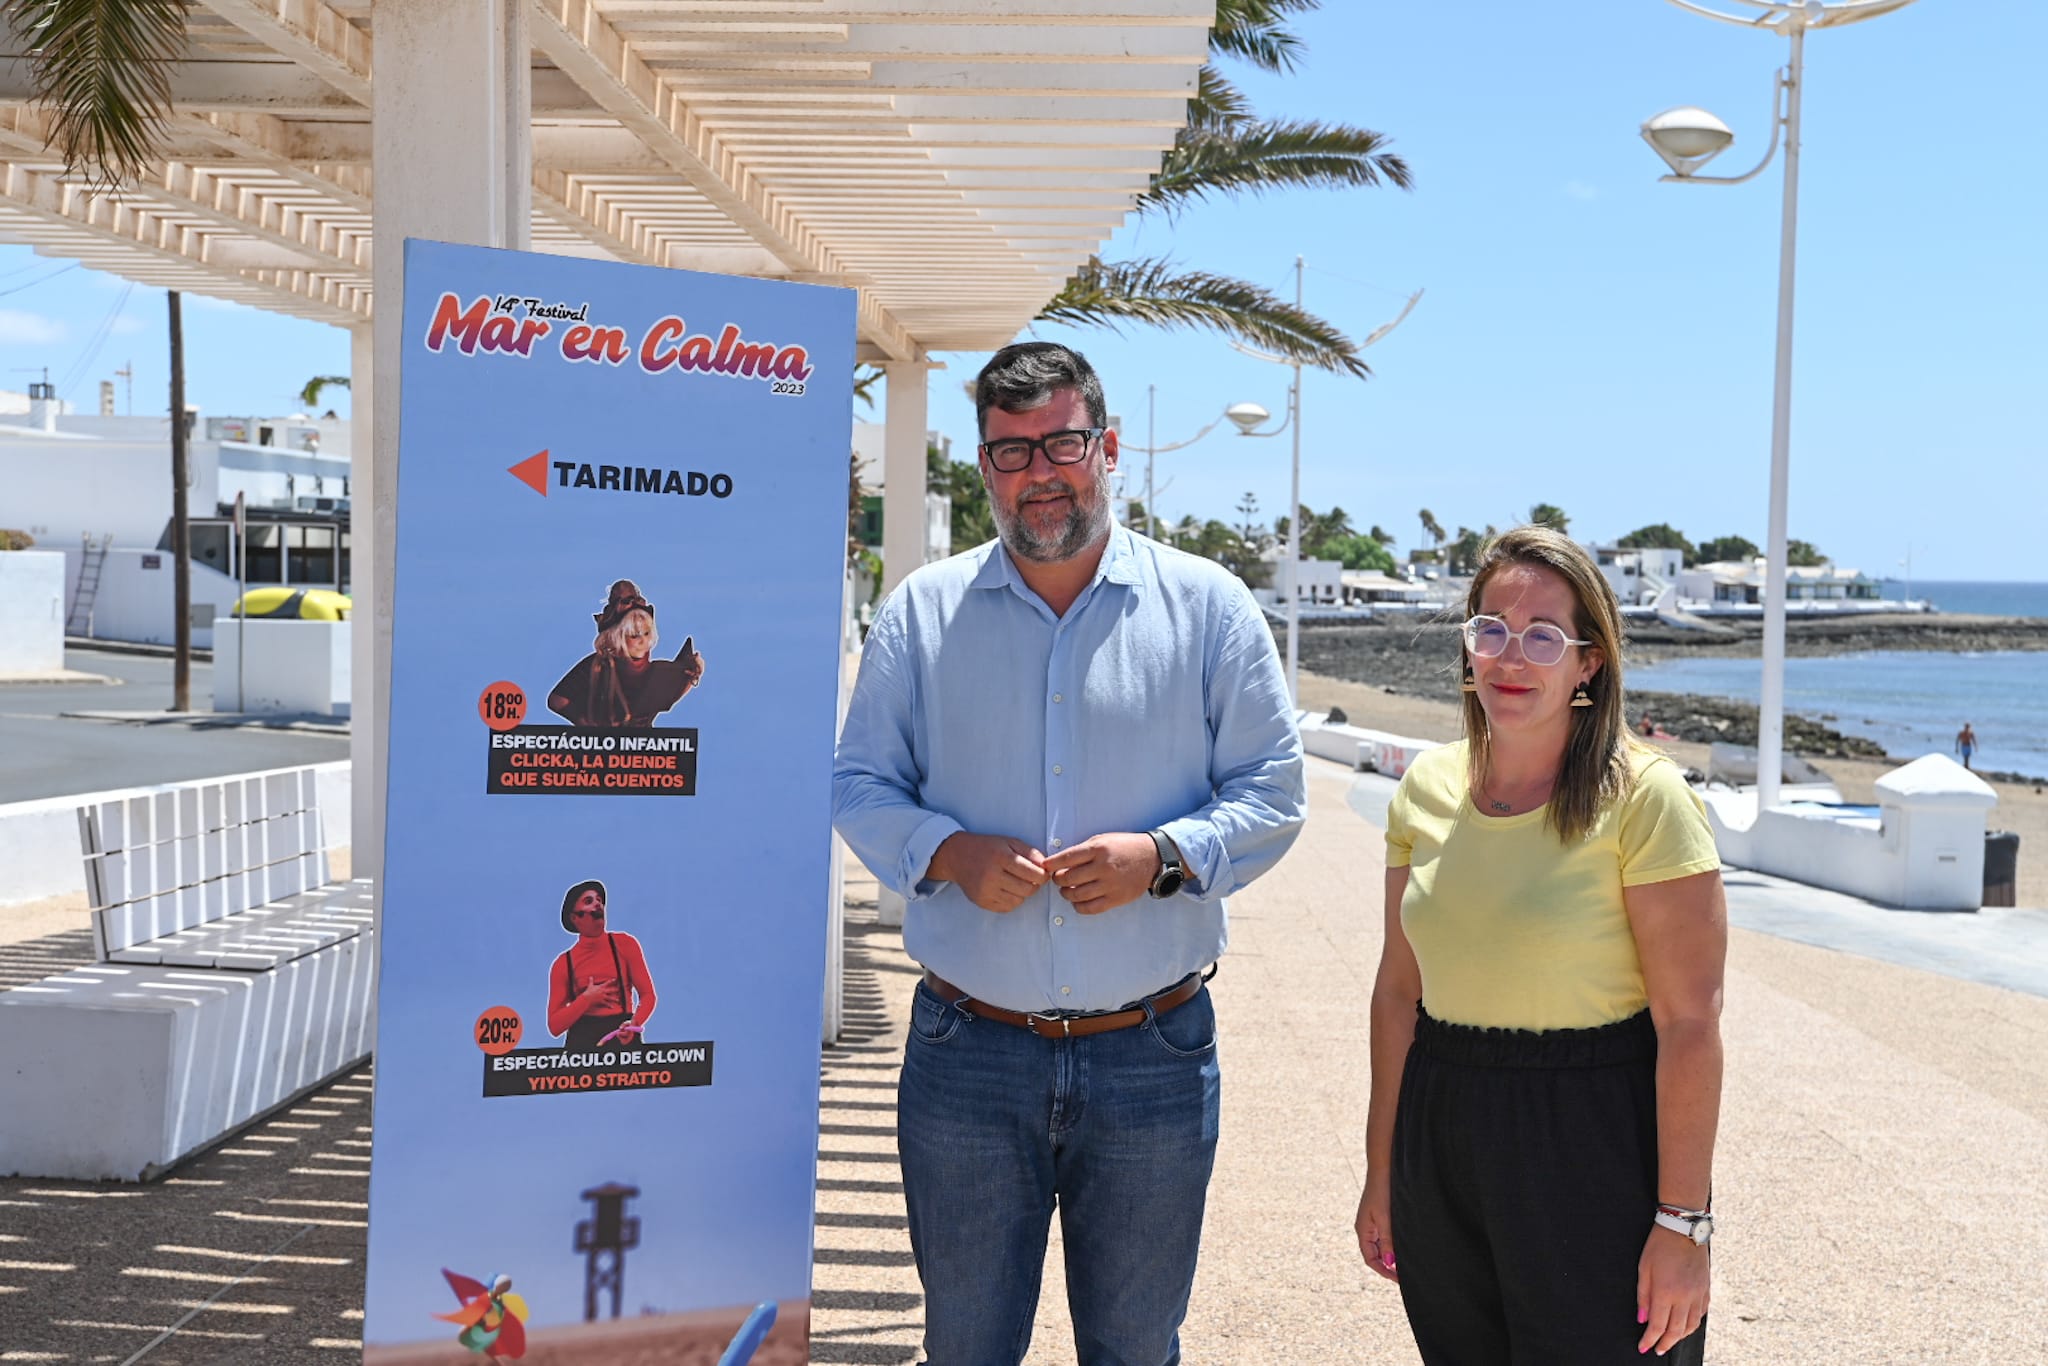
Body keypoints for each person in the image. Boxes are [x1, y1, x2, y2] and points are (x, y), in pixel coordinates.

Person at [833, 342, 1305, 1366]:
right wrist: (947, 851)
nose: (1038, 471)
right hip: (967, 1051)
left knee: (1135, 1348)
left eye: (1061, 442)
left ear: (1108, 446)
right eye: (1009, 452)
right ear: (983, 464)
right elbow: (858, 783)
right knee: (963, 1345)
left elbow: (1274, 790)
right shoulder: (921, 612)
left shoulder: (1208, 607)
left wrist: (1163, 857)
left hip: (1151, 1052)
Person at [1355, 525, 1728, 1365]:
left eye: (1542, 636)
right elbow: (1395, 993)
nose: (1510, 656)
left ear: (1587, 661)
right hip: (1442, 1129)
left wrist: (1684, 1223)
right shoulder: (1426, 786)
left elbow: (1690, 1025)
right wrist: (1382, 1171)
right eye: (1490, 628)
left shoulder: (1645, 799)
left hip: (1592, 1132)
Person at [547, 579, 705, 727]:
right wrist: (589, 729)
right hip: (603, 750)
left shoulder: (658, 672)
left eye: (646, 633)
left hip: (643, 750)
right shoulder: (597, 666)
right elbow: (557, 700)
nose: (642, 640)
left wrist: (692, 673)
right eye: (634, 635)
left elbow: (672, 691)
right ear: (617, 637)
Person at [546, 880, 658, 1051]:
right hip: (581, 1047)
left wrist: (634, 1023)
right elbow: (555, 1026)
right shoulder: (562, 964)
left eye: (599, 900)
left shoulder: (625, 944)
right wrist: (586, 999)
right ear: (575, 917)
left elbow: (648, 995)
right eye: (588, 901)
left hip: (622, 1039)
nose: (598, 904)